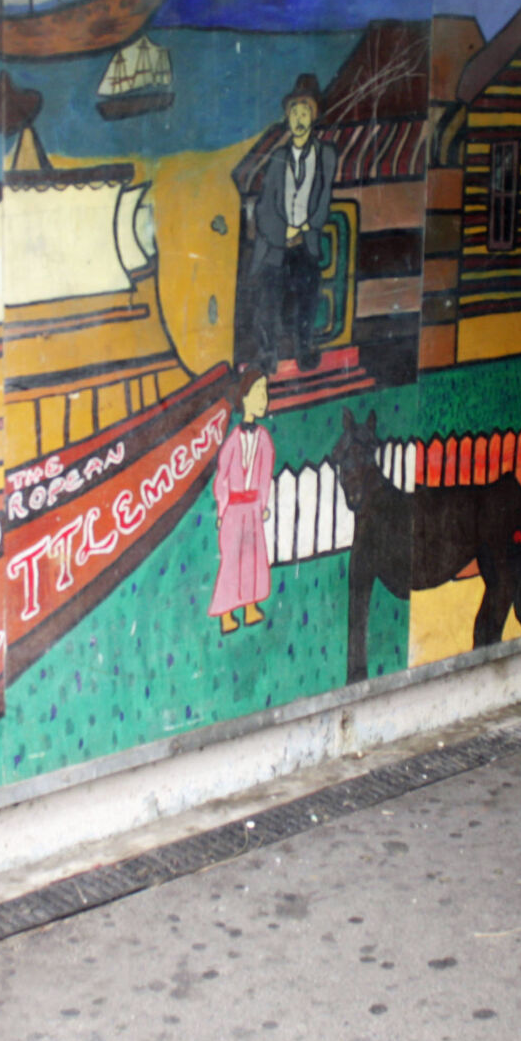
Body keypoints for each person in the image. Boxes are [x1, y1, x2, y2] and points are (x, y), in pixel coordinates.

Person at [250, 74, 336, 372]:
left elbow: (324, 201)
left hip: (305, 244)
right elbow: (263, 208)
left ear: (314, 117)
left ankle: (304, 351)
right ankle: (267, 356)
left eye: (305, 112)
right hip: (275, 245)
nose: (299, 119)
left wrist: (304, 227)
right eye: (294, 112)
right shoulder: (277, 158)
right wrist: (280, 232)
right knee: (268, 304)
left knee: (306, 303)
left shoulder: (326, 156)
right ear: (287, 117)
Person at [209, 371, 274, 634]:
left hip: (253, 510)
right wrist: (223, 508)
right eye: (258, 392)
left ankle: (250, 607)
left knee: (254, 559)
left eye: (265, 392)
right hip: (234, 510)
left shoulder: (264, 440)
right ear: (244, 398)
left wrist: (262, 505)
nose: (263, 399)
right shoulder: (233, 440)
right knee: (231, 560)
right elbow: (222, 477)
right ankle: (226, 612)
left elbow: (265, 477)